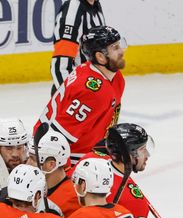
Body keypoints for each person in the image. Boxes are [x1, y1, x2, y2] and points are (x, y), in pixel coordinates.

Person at [35, 25, 126, 164]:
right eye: (115, 48)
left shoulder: (115, 78)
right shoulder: (92, 91)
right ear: (100, 57)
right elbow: (57, 137)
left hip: (87, 152)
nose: (122, 51)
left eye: (120, 45)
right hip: (62, 155)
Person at [50, 0, 106, 95]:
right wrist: (75, 97)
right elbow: (61, 67)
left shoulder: (96, 6)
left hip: (95, 86)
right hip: (77, 92)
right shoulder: (73, 11)